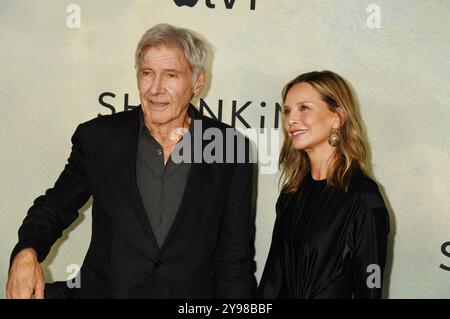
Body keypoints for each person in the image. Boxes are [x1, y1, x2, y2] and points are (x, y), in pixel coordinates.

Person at [7, 24, 256, 299]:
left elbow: (234, 259)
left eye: (171, 75)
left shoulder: (231, 148)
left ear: (198, 82)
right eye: (147, 73)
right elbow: (55, 207)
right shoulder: (99, 139)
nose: (156, 88)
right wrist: (26, 251)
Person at [257, 71, 389, 299]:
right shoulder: (291, 195)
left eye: (304, 108)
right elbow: (272, 279)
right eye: (287, 111)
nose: (291, 120)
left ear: (337, 118)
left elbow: (370, 290)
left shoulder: (363, 197)